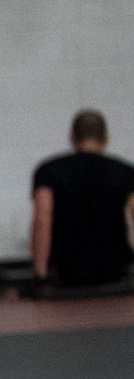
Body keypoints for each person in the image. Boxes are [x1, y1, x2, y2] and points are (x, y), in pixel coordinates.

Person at [31, 109, 134, 289]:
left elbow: (42, 217)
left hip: (66, 272)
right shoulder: (124, 172)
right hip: (115, 270)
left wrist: (40, 276)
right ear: (106, 137)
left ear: (72, 137)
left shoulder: (49, 171)